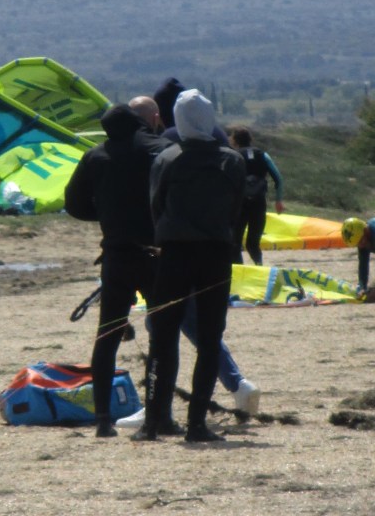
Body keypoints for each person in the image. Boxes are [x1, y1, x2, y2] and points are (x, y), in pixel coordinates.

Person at [127, 97, 261, 421]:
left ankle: (156, 416)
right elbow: (236, 207)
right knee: (209, 334)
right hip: (216, 252)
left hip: (176, 252)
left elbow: (156, 204)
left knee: (164, 331)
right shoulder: (231, 160)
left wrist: (167, 234)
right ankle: (197, 421)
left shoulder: (167, 158)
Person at [64, 99, 171, 438]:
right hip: (155, 254)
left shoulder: (95, 156)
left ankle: (102, 419)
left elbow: (74, 204)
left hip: (116, 255)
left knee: (108, 334)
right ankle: (159, 414)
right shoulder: (159, 148)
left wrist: (107, 213)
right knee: (162, 335)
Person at [230, 126, 284, 266]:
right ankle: (259, 266)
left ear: (234, 140)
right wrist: (279, 200)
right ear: (250, 139)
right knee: (253, 244)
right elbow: (278, 178)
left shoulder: (233, 156)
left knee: (235, 243)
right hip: (259, 203)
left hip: (239, 204)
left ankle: (241, 272)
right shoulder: (263, 155)